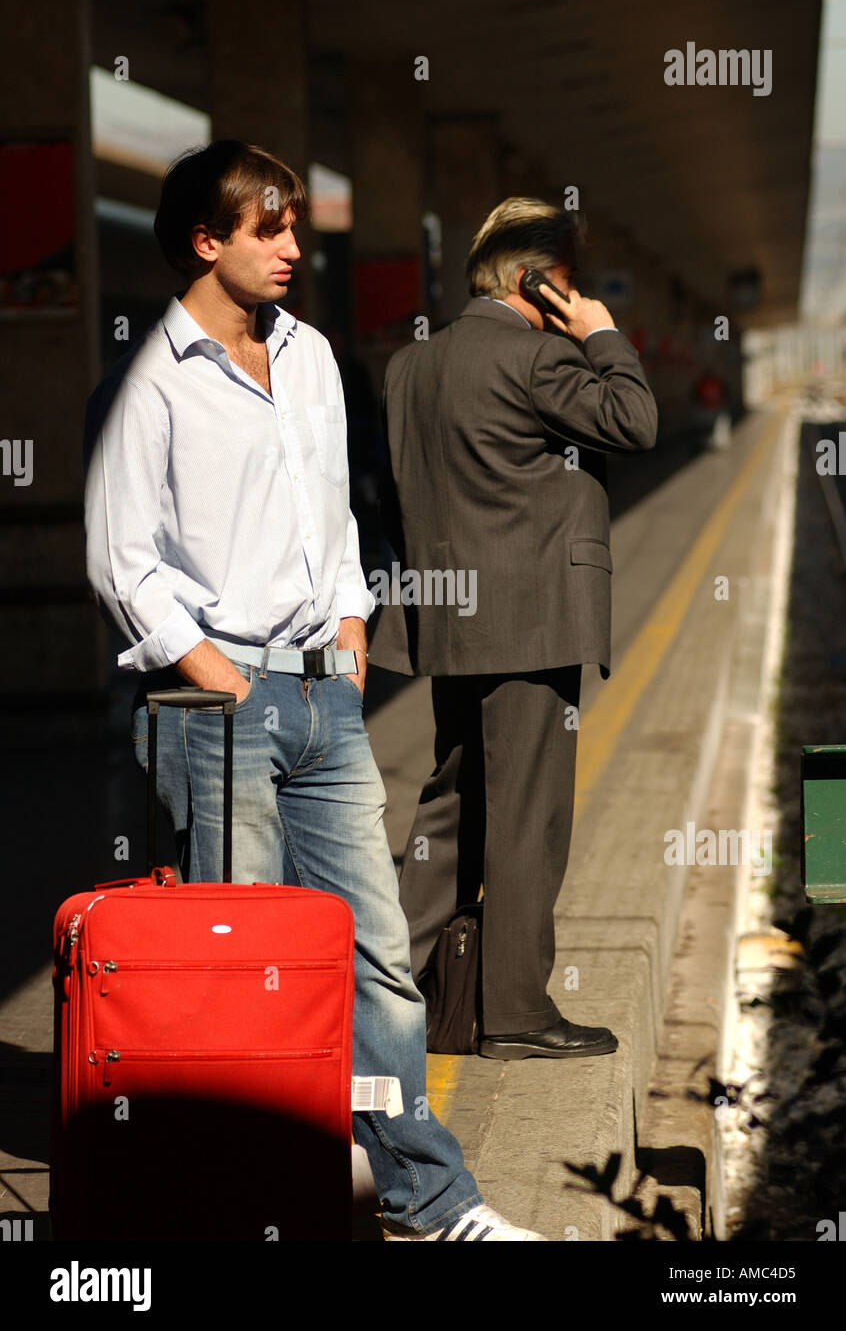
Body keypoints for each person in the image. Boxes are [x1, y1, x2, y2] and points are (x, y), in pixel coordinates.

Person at [83, 142, 544, 1241]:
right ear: (207, 240)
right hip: (213, 708)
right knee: (246, 971)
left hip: (323, 696)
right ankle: (268, 1194)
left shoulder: (314, 357)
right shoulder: (150, 379)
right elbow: (118, 555)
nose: (295, 249)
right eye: (269, 231)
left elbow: (333, 512)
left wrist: (349, 626)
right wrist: (217, 674)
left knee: (376, 954)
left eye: (296, 227)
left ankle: (431, 1198)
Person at [369, 197, 659, 1060]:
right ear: (538, 281)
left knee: (450, 806)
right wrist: (602, 334)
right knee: (528, 817)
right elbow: (634, 420)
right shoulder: (537, 359)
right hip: (532, 623)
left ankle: (385, 989)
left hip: (448, 622)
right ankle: (520, 1015)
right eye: (568, 281)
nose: (578, 296)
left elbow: (399, 497)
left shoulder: (409, 367)